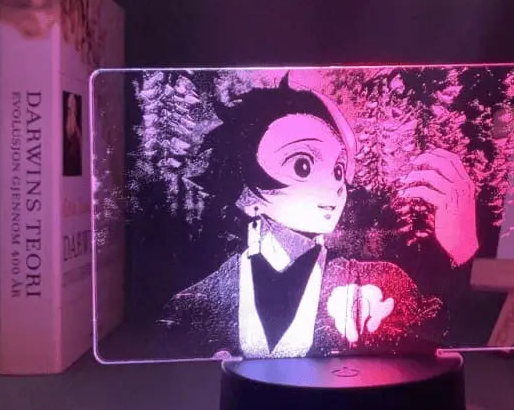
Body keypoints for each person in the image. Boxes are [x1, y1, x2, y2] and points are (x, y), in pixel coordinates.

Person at [160, 74, 479, 358]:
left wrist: (461, 251)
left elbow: (441, 341)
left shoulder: (375, 283)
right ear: (244, 191)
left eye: (339, 170)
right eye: (303, 165)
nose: (334, 187)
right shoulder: (198, 301)